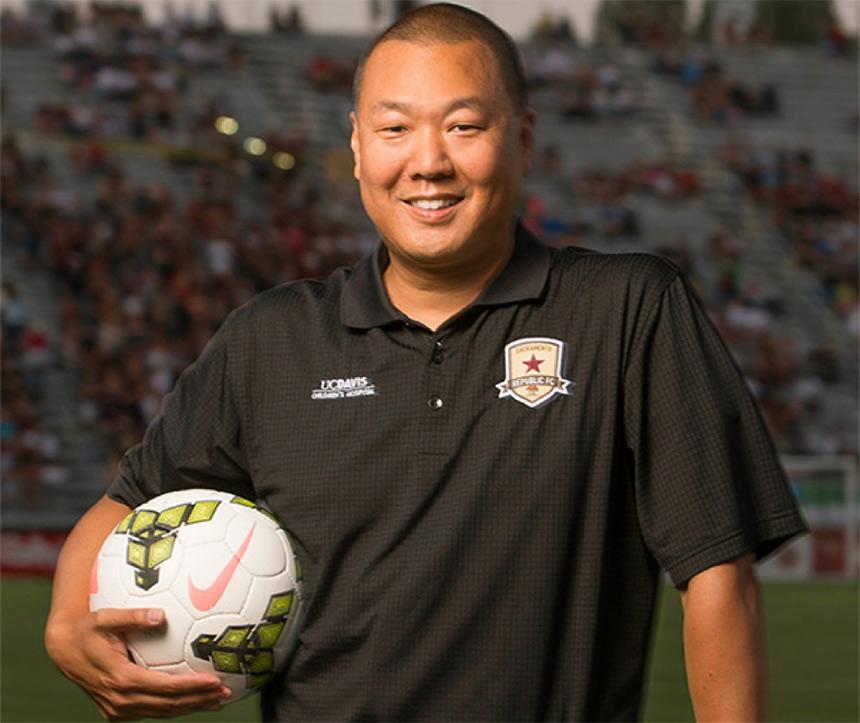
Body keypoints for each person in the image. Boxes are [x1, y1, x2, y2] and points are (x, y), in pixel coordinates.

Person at [45, 4, 807, 721]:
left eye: (464, 126)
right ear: (356, 147)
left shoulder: (628, 310)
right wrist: (66, 623)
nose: (428, 162)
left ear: (523, 139)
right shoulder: (270, 340)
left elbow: (719, 579)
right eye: (395, 129)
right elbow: (126, 504)